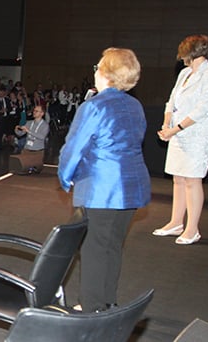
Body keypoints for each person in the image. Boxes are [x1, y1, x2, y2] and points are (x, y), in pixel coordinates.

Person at [58, 47, 150, 313]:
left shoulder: (94, 106)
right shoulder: (135, 105)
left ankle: (91, 308)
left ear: (107, 74)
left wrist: (66, 178)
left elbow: (74, 147)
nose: (95, 71)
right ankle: (107, 301)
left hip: (103, 187)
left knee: (94, 247)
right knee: (112, 246)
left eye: (98, 67)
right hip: (132, 187)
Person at [154, 35, 208, 245]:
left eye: (183, 53)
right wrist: (167, 124)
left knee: (192, 180)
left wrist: (175, 129)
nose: (181, 58)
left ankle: (192, 229)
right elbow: (172, 101)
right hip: (177, 132)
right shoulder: (184, 73)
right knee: (178, 178)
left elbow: (203, 109)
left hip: (197, 134)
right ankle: (176, 222)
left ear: (191, 52)